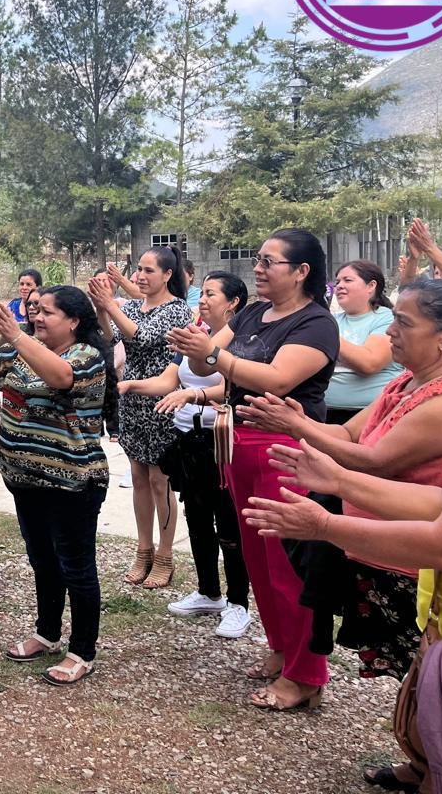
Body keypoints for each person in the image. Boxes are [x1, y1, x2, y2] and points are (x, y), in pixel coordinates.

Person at [244, 278, 442, 792]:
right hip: (432, 589)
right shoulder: (411, 383)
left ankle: (432, 767)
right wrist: (324, 461)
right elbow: (429, 491)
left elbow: (440, 529)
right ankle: (424, 762)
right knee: (421, 685)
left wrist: (326, 516)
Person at [167, 227, 339, 711]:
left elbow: (278, 379)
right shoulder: (252, 313)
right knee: (258, 562)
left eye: (269, 261)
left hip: (286, 449)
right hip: (240, 444)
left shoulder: (316, 324)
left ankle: (306, 673)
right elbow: (208, 366)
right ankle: (281, 648)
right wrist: (196, 346)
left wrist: (212, 354)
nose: (257, 268)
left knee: (288, 565)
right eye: (258, 259)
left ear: (301, 271)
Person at [0, 286, 115, 685]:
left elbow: (60, 377)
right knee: (42, 559)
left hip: (72, 483)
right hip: (24, 478)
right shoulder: (18, 349)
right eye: (35, 311)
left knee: (76, 566)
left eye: (48, 312)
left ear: (73, 321)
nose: (38, 317)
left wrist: (17, 336)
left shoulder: (86, 356)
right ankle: (47, 633)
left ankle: (82, 651)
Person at [122, 273, 253, 638]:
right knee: (197, 516)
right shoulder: (196, 334)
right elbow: (169, 380)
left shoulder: (243, 341)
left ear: (233, 303)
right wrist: (130, 385)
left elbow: (234, 386)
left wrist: (194, 395)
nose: (203, 300)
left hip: (221, 439)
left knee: (229, 523)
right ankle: (208, 592)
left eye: (211, 294)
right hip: (188, 438)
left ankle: (238, 603)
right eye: (203, 293)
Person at [89, 246, 193, 588]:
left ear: (167, 274)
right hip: (131, 401)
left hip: (163, 402)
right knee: (138, 477)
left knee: (160, 480)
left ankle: (165, 553)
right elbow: (110, 337)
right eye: (139, 269)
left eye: (149, 270)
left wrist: (110, 305)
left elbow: (142, 337)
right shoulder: (134, 306)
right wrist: (102, 307)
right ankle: (143, 548)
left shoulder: (177, 310)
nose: (140, 276)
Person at [326, 261, 402, 425]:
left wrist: (324, 333)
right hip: (325, 412)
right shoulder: (331, 320)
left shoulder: (387, 318)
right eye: (337, 282)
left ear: (371, 286)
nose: (339, 286)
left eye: (347, 280)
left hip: (372, 415)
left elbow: (369, 363)